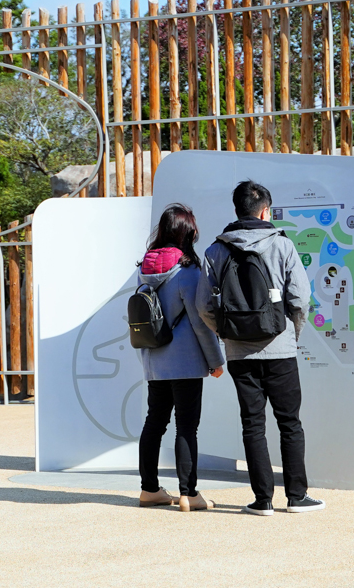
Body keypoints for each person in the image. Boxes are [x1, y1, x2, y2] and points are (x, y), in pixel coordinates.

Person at [197, 180, 325, 516]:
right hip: (280, 348)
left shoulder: (215, 251)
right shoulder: (282, 245)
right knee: (290, 423)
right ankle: (296, 497)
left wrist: (227, 333)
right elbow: (300, 299)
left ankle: (262, 500)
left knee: (253, 424)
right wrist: (290, 333)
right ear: (265, 210)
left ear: (237, 209)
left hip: (239, 353)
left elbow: (203, 306)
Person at [136, 204, 225, 512]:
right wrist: (216, 360)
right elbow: (200, 322)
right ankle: (188, 493)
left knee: (154, 423)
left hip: (154, 359)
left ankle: (149, 489)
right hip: (185, 361)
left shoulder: (144, 268)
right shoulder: (187, 271)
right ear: (188, 233)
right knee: (186, 427)